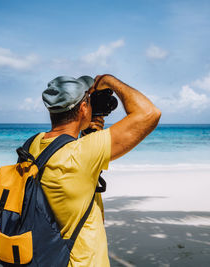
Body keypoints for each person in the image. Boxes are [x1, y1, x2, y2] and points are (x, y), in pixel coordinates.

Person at [28, 74, 161, 266]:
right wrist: (108, 80)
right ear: (83, 108)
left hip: (48, 257)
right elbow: (150, 113)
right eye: (88, 102)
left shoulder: (34, 144)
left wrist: (85, 135)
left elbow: (67, 163)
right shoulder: (83, 153)